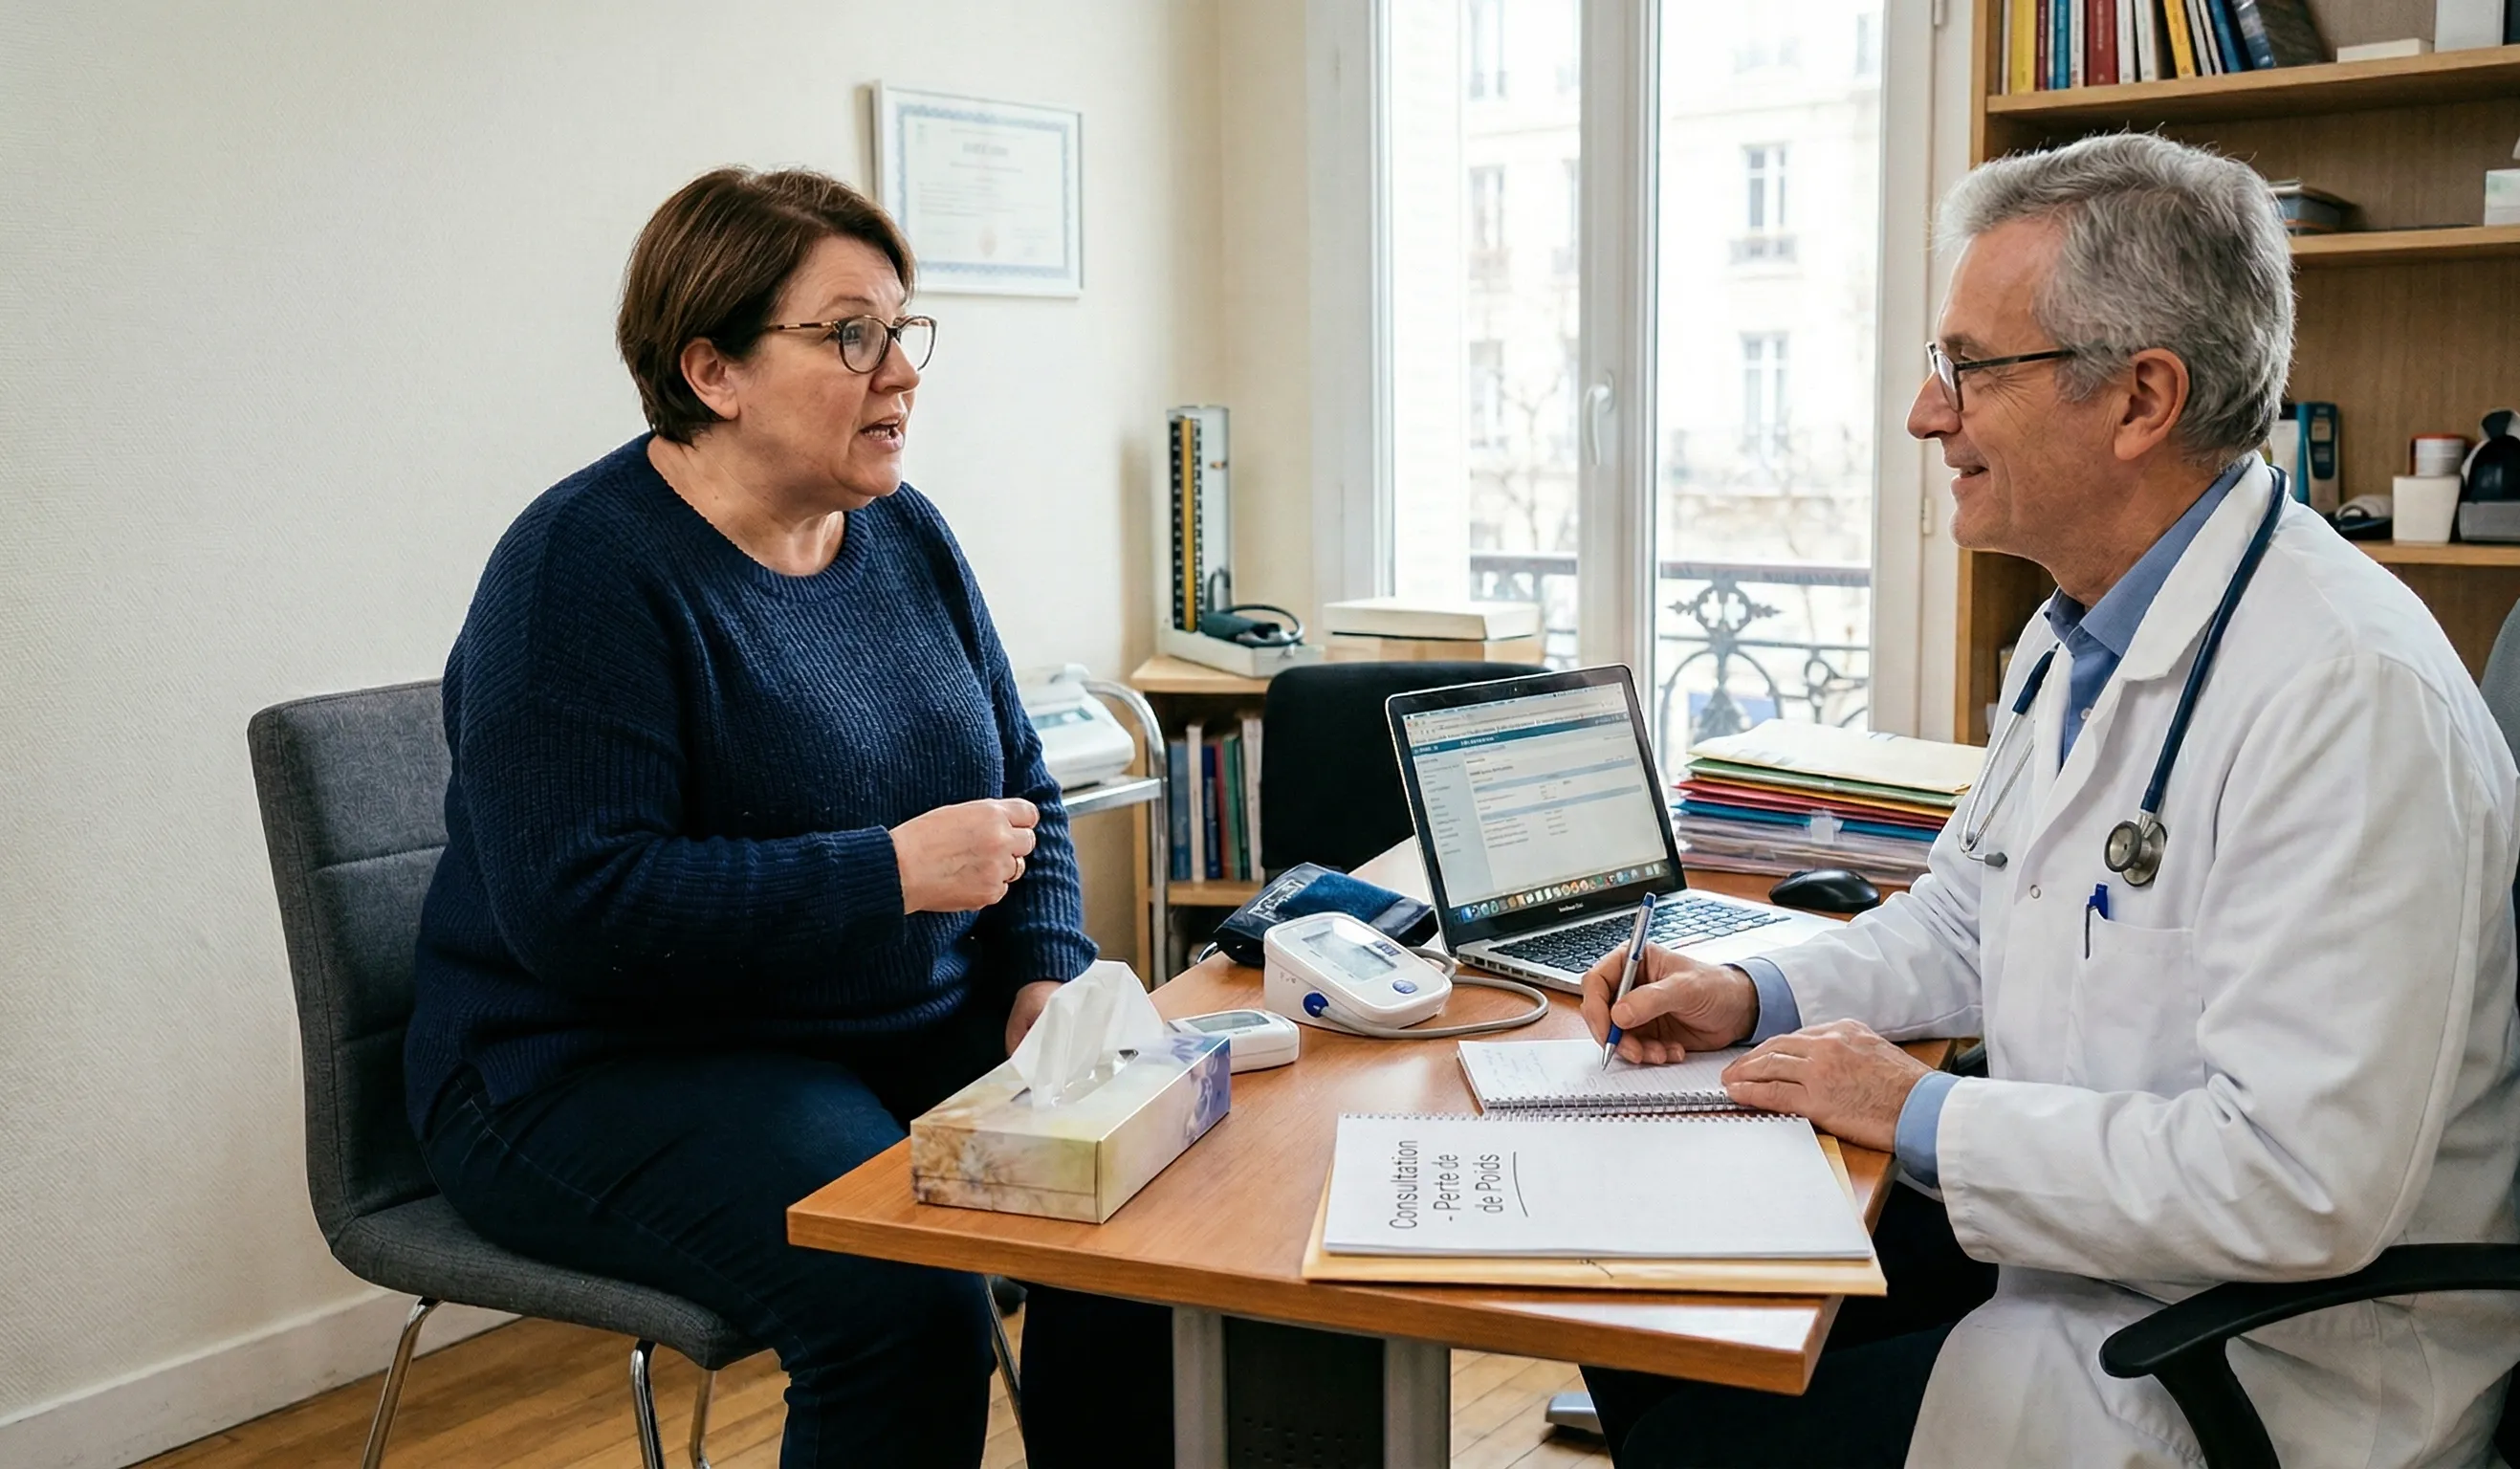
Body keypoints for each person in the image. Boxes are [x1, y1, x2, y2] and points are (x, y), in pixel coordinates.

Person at [1579, 132, 2520, 1467]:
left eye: (1966, 367)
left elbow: (2299, 1187)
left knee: (1701, 1433)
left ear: (2139, 399)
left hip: (2258, 1355)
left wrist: (1911, 1112)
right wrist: (1760, 996)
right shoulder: (2078, 628)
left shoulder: (2345, 697)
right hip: (2100, 1248)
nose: (1924, 413)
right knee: (1652, 1280)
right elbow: (1973, 911)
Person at [403, 166, 1169, 1469]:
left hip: (874, 1032)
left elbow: (1019, 791)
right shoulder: (579, 575)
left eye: (902, 330)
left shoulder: (904, 535)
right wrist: (882, 874)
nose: (900, 373)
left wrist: (1040, 974)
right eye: (849, 335)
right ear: (713, 372)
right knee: (905, 1298)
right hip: (597, 1065)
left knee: (1146, 1208)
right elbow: (577, 911)